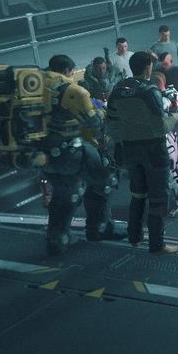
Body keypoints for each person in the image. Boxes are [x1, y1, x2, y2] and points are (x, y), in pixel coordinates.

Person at [40, 55, 118, 254]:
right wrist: (100, 112)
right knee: (103, 182)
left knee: (63, 193)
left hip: (44, 151)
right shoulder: (72, 91)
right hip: (70, 149)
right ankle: (99, 228)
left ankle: (56, 239)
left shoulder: (36, 87)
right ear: (67, 70)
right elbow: (93, 123)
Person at [106, 51, 178, 255]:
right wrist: (174, 118)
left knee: (137, 193)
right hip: (153, 150)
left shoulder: (118, 89)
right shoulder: (149, 90)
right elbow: (160, 126)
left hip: (130, 149)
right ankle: (157, 244)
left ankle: (134, 235)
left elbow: (111, 122)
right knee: (158, 197)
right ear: (148, 67)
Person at [151, 71, 178, 217]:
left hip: (166, 137)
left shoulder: (166, 97)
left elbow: (162, 109)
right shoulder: (170, 93)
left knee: (171, 173)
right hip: (169, 135)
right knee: (175, 169)